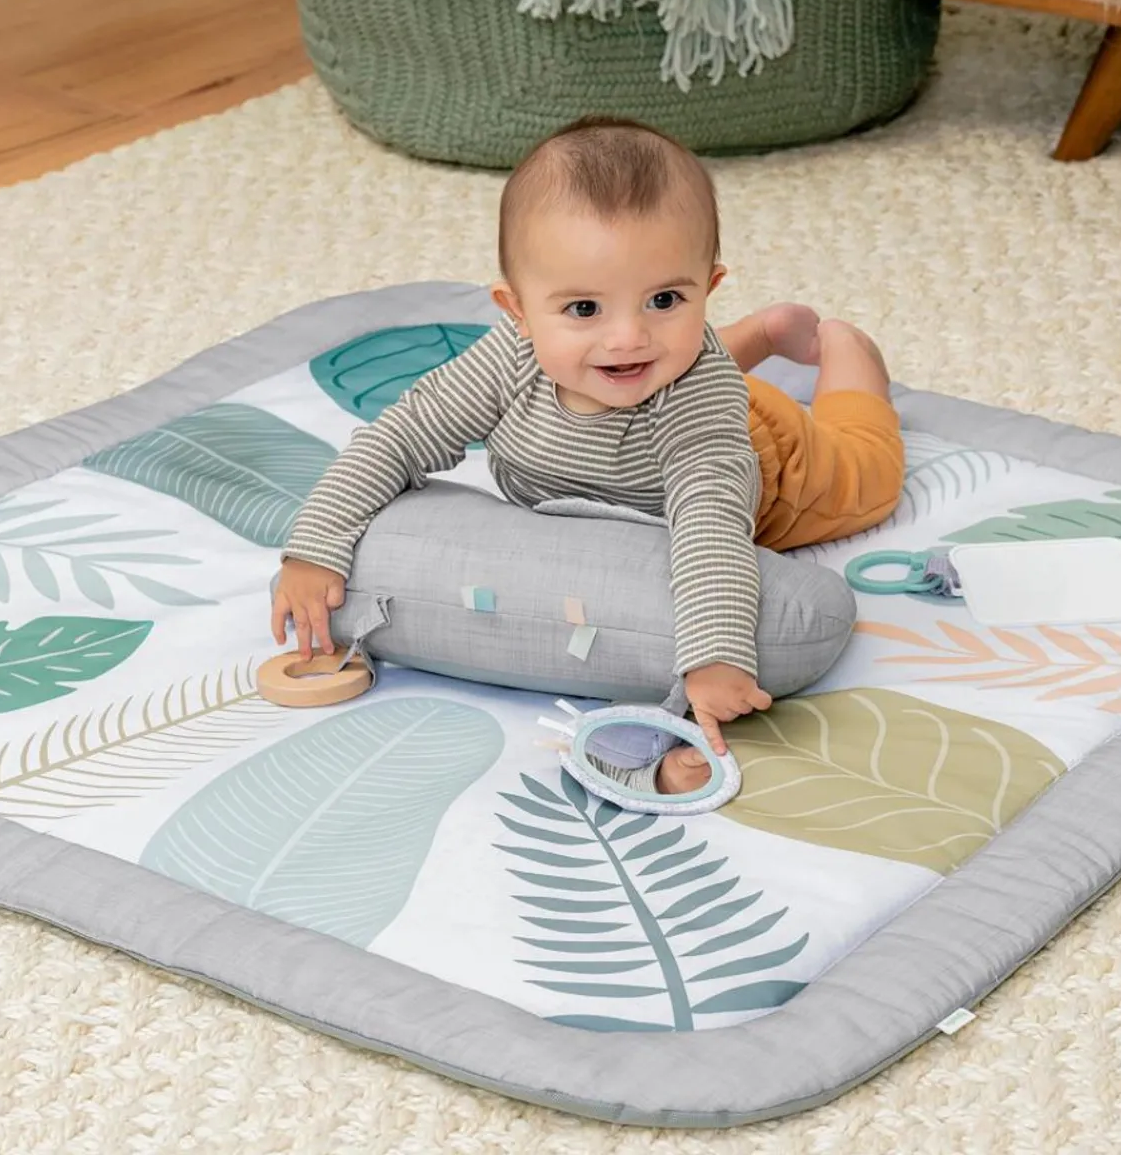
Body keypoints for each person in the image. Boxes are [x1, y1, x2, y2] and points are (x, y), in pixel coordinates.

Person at [272, 116, 903, 794]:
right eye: (582, 309)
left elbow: (710, 531)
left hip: (775, 465)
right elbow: (399, 435)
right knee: (650, 358)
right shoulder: (510, 358)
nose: (626, 333)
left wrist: (714, 655)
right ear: (517, 311)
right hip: (663, 390)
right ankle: (761, 333)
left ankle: (851, 357)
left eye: (665, 298)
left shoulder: (700, 402)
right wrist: (316, 549)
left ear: (708, 286)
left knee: (866, 468)